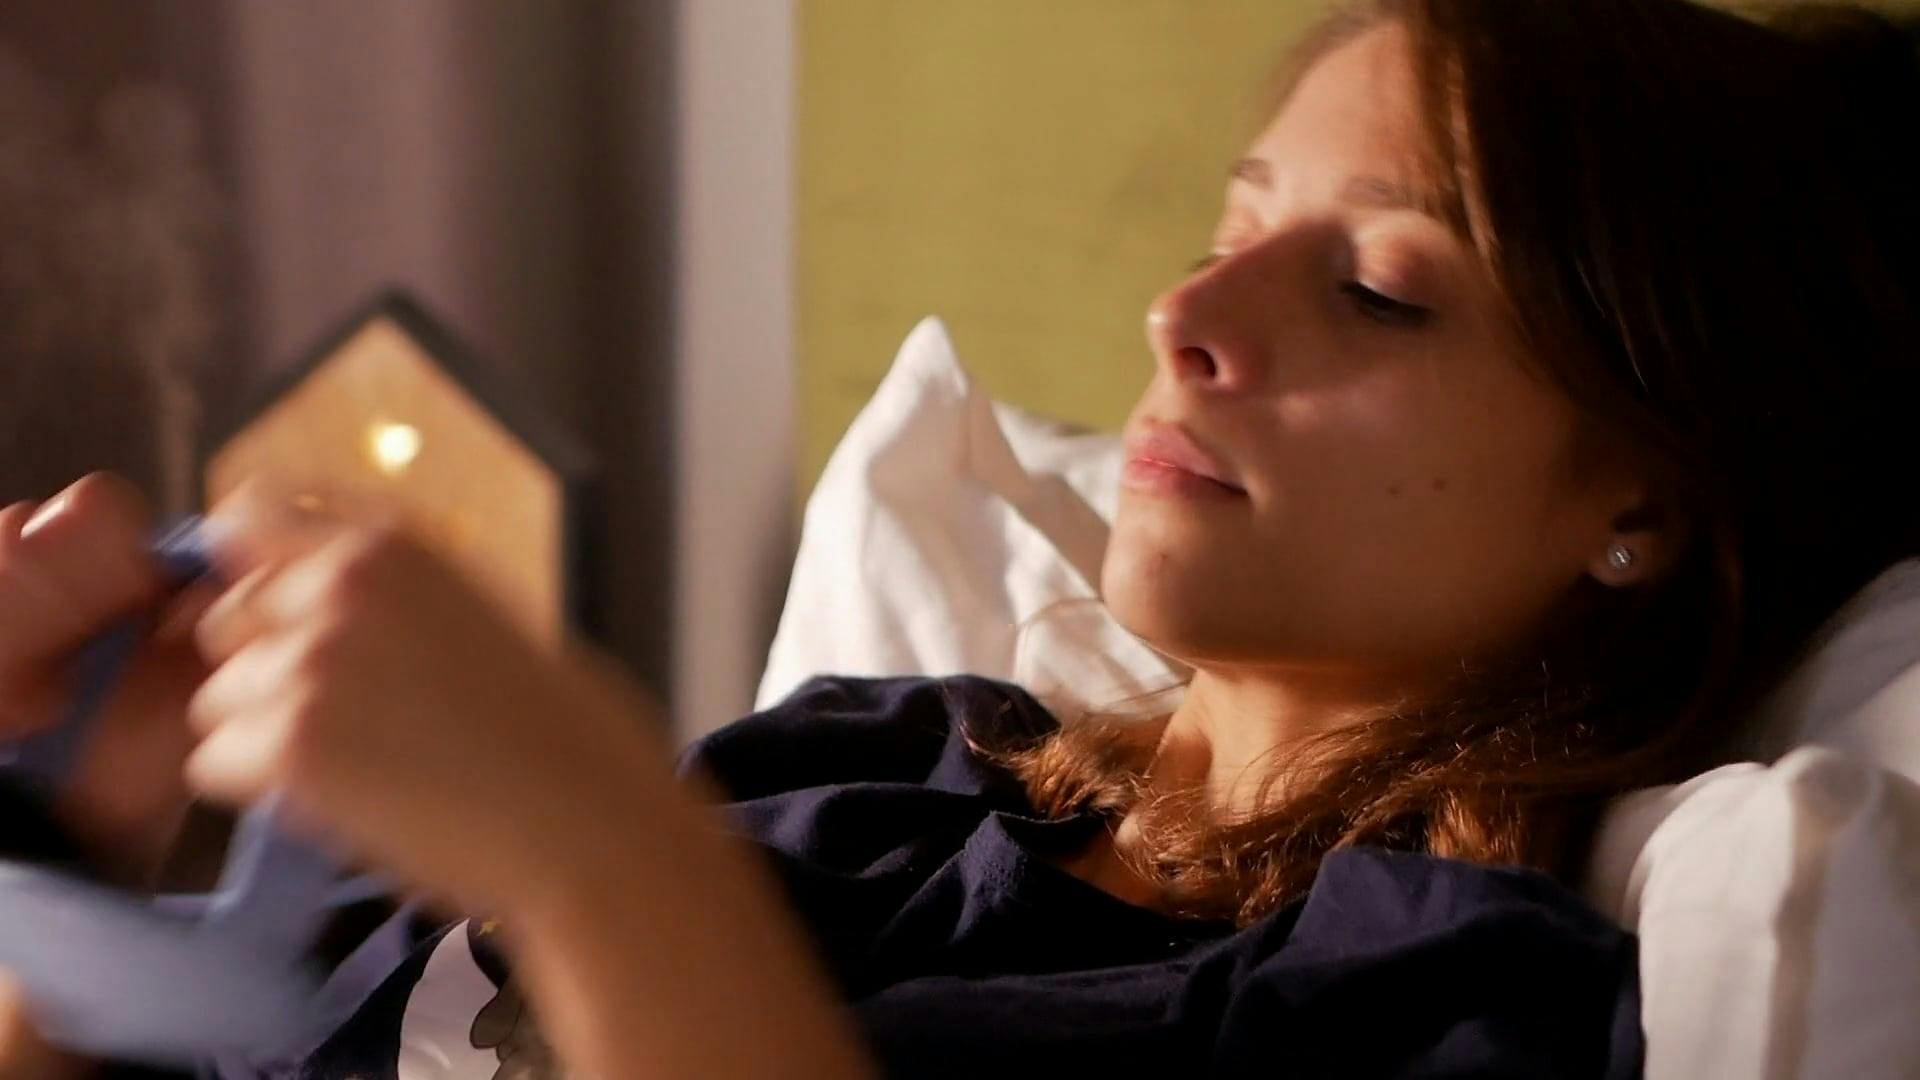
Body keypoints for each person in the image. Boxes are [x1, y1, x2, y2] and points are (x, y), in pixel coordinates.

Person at [4, 0, 1919, 1075]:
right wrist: (70, 841)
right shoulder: (878, 766)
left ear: (1639, 499)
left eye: (1381, 290)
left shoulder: (1439, 1005)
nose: (1187, 312)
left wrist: (594, 857)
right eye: (1234, 226)